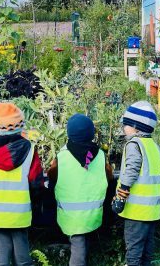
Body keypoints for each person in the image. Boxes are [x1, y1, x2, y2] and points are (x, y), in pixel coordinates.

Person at [0, 101, 43, 266]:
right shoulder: (29, 150)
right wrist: (36, 205)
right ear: (20, 125)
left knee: (2, 253)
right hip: (20, 213)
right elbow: (36, 184)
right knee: (22, 256)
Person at [48, 114, 113, 266]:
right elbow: (109, 177)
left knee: (78, 250)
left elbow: (52, 177)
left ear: (69, 133)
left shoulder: (61, 157)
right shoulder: (100, 156)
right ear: (91, 133)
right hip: (94, 214)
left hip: (70, 216)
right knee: (82, 245)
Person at [112, 101, 160, 266]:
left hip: (137, 211)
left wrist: (121, 194)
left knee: (133, 249)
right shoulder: (153, 146)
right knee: (147, 249)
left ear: (135, 127)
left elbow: (131, 171)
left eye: (125, 124)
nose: (123, 128)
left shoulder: (134, 144)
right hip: (152, 210)